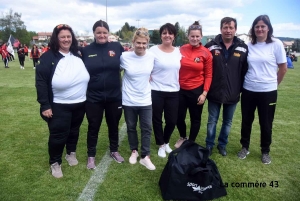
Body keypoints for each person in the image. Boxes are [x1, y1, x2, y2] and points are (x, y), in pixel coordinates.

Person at [35, 24, 90, 178]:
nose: (66, 39)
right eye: (62, 37)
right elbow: (41, 82)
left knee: (74, 131)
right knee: (58, 135)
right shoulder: (48, 57)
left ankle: (70, 153)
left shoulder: (78, 54)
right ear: (56, 39)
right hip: (59, 105)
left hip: (80, 103)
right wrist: (45, 105)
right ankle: (55, 162)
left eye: (68, 36)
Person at [237, 15, 287, 164]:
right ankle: (244, 147)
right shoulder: (249, 45)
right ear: (253, 29)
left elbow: (283, 69)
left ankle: (265, 151)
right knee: (246, 121)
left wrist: (273, 85)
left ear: (268, 28)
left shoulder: (276, 44)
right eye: (257, 26)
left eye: (262, 26)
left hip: (268, 92)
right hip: (248, 90)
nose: (259, 29)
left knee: (266, 123)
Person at [82, 20, 124, 169]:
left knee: (113, 125)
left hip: (114, 96)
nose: (101, 35)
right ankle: (91, 155)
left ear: (108, 33)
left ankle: (114, 150)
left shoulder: (116, 47)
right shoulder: (86, 50)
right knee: (94, 126)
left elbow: (131, 62)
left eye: (104, 32)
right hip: (93, 97)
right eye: (98, 32)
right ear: (94, 33)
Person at [204, 17, 248, 156]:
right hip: (214, 91)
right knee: (212, 121)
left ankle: (222, 145)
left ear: (235, 30)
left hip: (233, 92)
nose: (228, 30)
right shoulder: (211, 46)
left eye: (231, 28)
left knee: (227, 122)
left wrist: (239, 88)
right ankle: (209, 145)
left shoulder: (243, 48)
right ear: (221, 29)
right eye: (225, 27)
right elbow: (204, 68)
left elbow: (245, 70)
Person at [121, 27, 156, 170]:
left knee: (146, 127)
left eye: (144, 43)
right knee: (131, 127)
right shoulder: (124, 57)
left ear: (147, 43)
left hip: (145, 99)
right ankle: (134, 151)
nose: (141, 46)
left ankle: (145, 156)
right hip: (128, 99)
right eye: (138, 43)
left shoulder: (151, 57)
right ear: (133, 42)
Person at [174, 21, 213, 148]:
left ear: (201, 37)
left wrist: (204, 93)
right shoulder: (181, 49)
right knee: (179, 117)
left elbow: (208, 75)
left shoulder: (206, 53)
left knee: (195, 118)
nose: (194, 38)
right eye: (192, 36)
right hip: (180, 90)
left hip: (197, 90)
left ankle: (191, 141)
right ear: (188, 36)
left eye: (197, 36)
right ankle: (183, 137)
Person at [148, 23, 181, 158]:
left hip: (173, 91)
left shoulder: (179, 51)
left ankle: (166, 141)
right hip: (156, 90)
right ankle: (161, 144)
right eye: (164, 33)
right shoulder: (153, 51)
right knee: (156, 119)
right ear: (161, 35)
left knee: (172, 120)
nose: (167, 35)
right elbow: (145, 64)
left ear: (174, 36)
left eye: (170, 33)